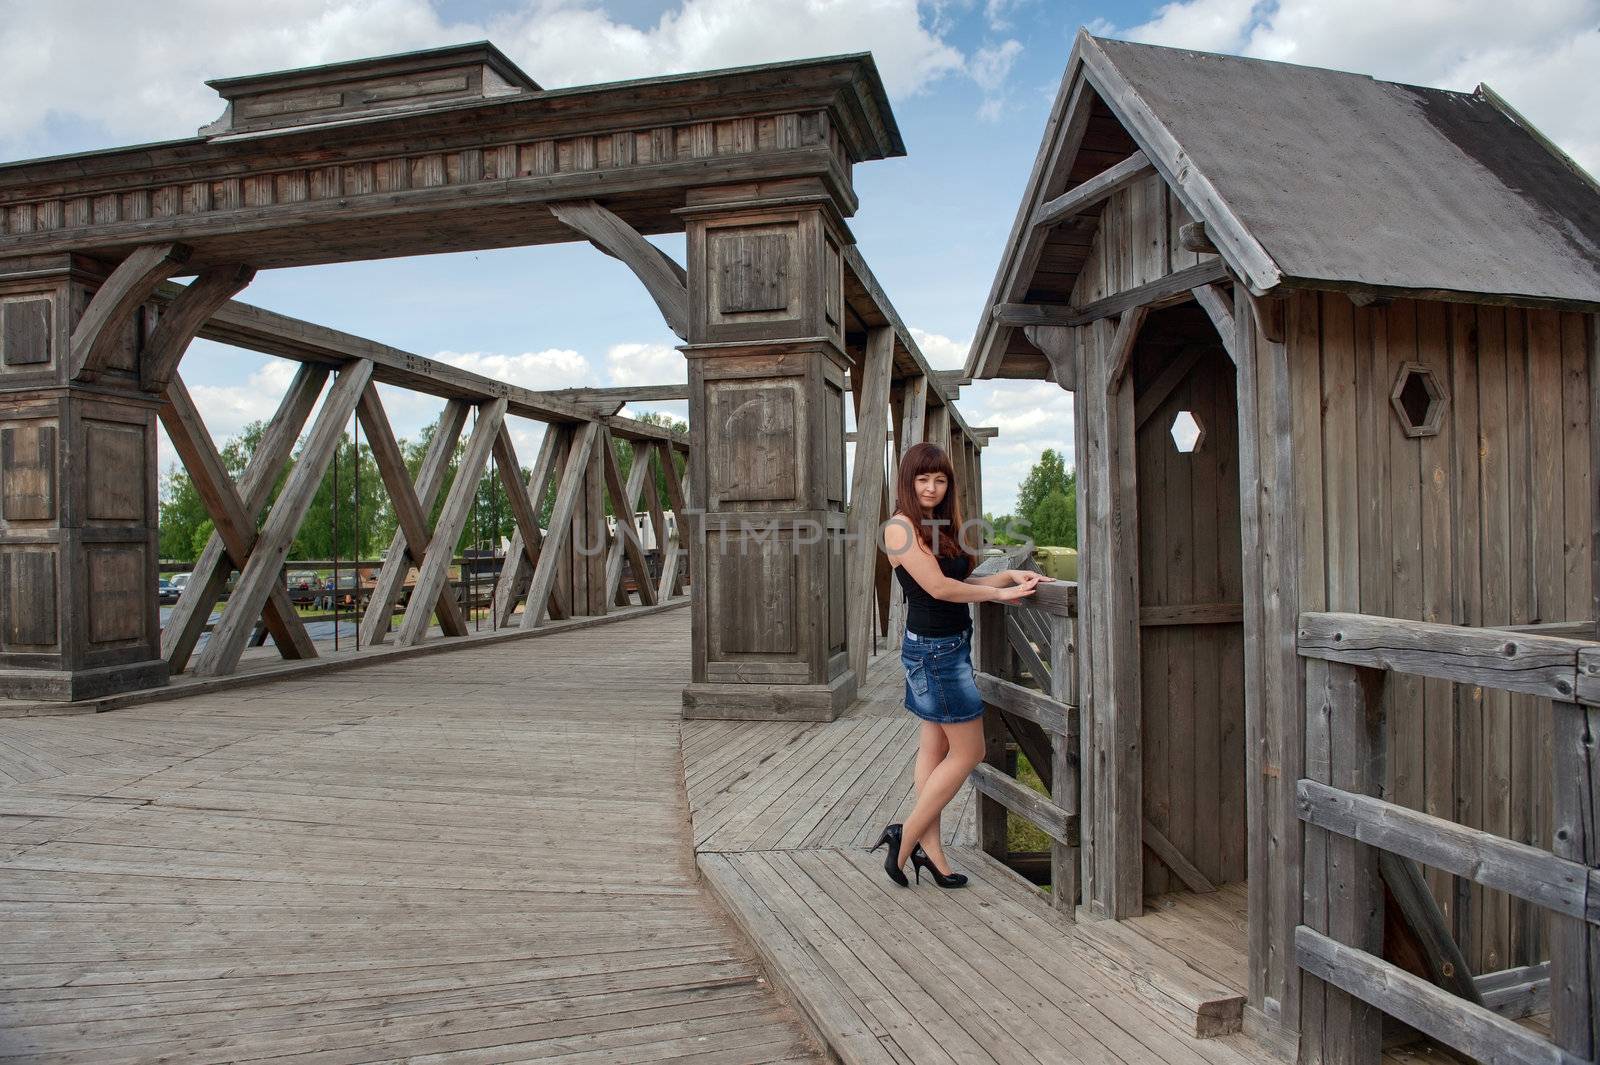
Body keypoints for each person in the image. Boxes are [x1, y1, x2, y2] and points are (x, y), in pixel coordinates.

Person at [870, 441, 1051, 888]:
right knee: (971, 751)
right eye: (922, 478)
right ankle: (904, 838)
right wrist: (999, 595)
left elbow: (961, 580)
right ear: (908, 482)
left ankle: (930, 852)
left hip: (947, 645)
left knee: (933, 750)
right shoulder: (899, 528)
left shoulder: (936, 526)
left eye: (940, 479)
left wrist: (1007, 576)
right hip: (934, 652)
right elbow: (938, 589)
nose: (932, 487)